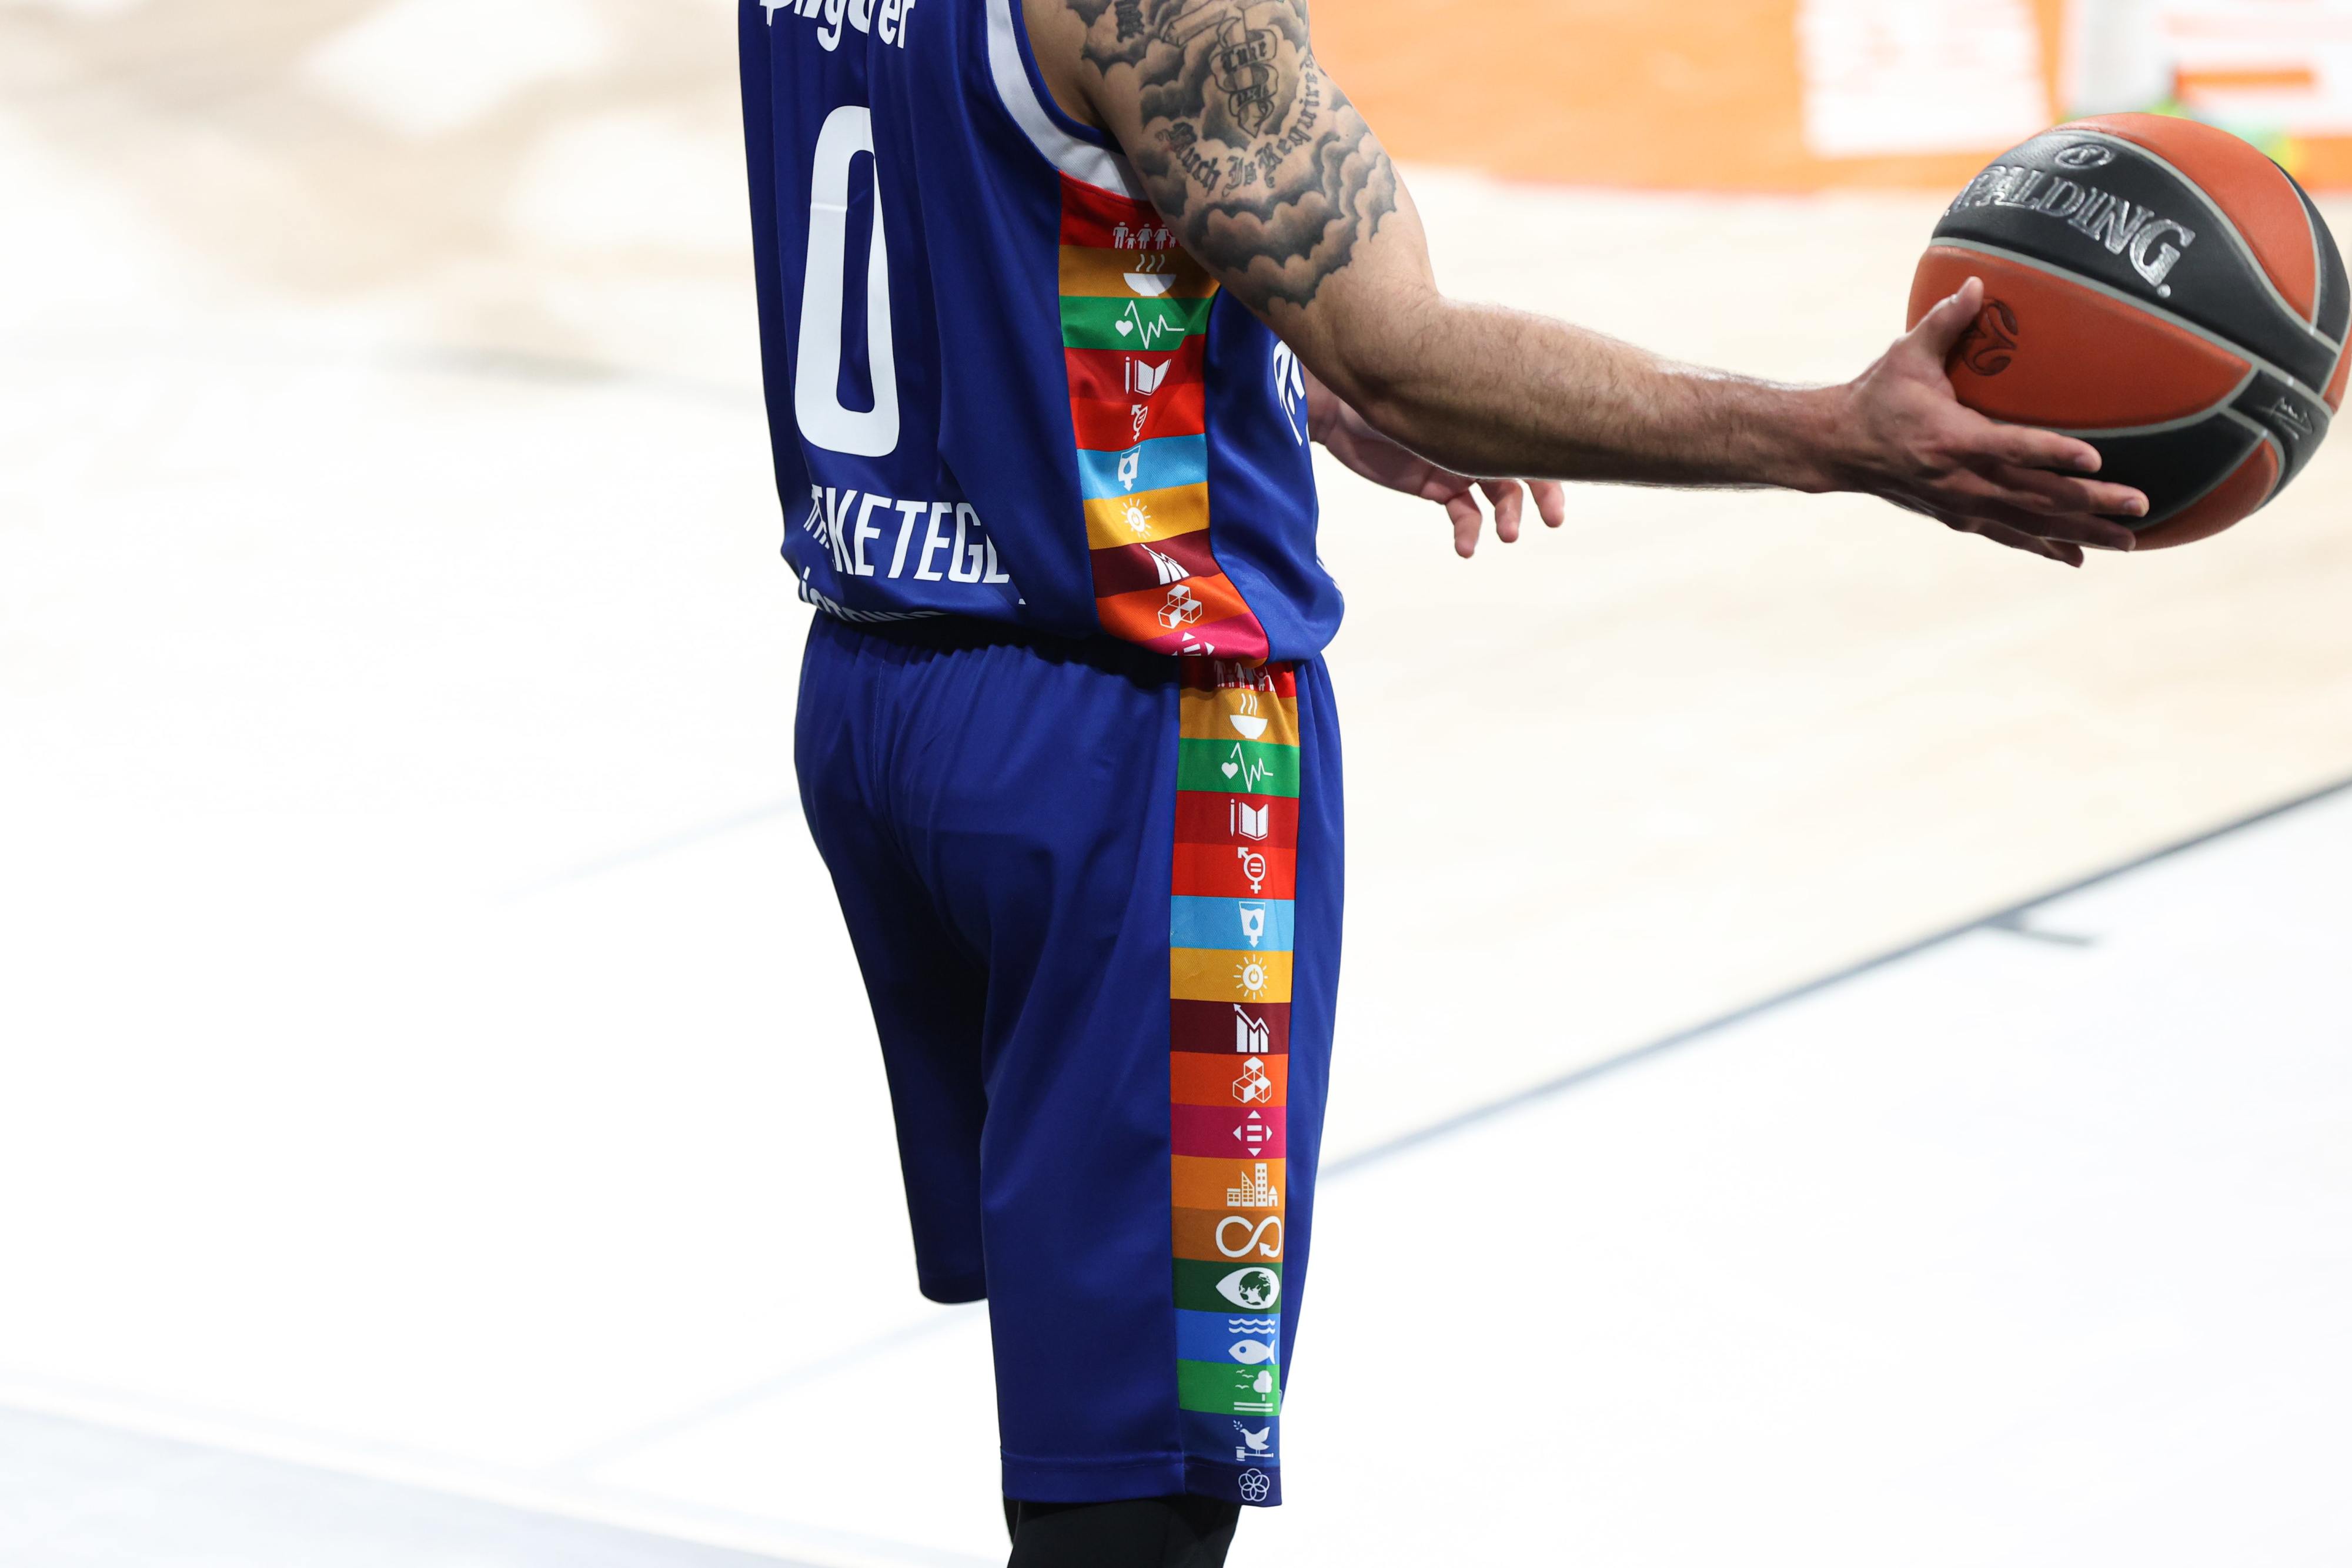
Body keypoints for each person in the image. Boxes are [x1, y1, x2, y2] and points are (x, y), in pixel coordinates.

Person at [736, 0, 2145, 1562]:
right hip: (1136, 747)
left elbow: (1000, 199)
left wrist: (1260, 361)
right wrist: (1836, 435)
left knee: (1088, 1387)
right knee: (1138, 1485)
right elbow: (1405, 352)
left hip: (880, 690)